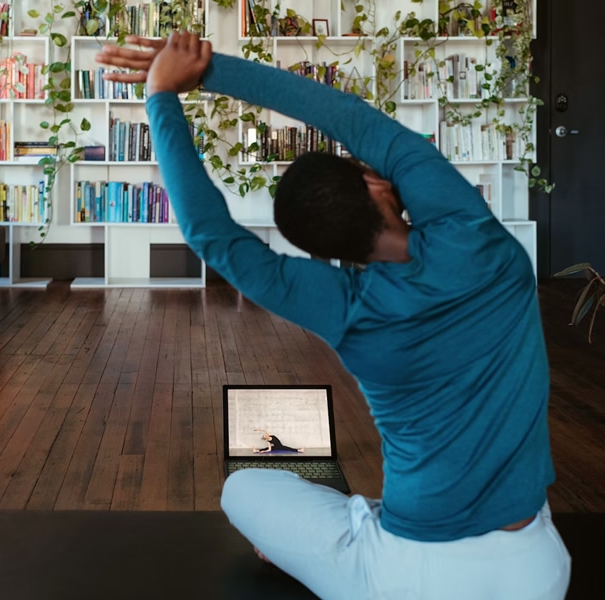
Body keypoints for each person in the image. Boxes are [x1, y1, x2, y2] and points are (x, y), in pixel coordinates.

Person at [95, 33, 571, 600]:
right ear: (374, 181)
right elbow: (352, 118)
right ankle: (358, 522)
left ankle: (347, 529)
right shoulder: (478, 240)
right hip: (537, 570)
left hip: (410, 577)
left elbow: (211, 236)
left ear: (326, 252)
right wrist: (199, 71)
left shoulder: (349, 306)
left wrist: (159, 98)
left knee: (244, 490)